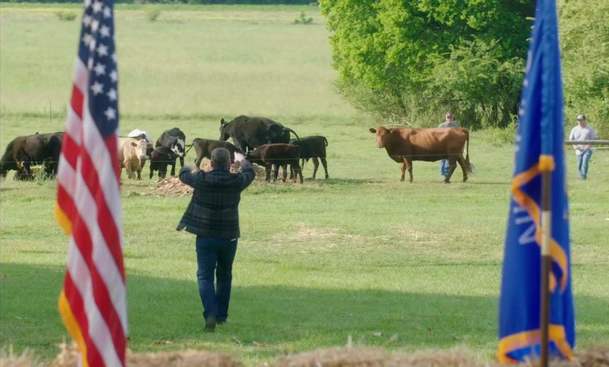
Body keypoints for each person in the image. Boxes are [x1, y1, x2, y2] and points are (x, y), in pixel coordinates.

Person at [177, 148, 255, 332]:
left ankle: (210, 314)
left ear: (211, 163)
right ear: (229, 164)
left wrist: (192, 166)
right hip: (229, 237)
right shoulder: (236, 181)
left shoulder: (201, 179)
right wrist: (242, 161)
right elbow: (250, 173)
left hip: (205, 236)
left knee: (205, 276)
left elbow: (183, 174)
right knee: (225, 275)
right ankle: (221, 316)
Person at [569, 114, 598, 180]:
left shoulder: (589, 129)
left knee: (585, 163)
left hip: (587, 149)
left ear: (584, 120)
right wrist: (574, 146)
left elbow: (593, 139)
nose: (579, 121)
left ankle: (583, 178)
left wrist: (588, 146)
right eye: (578, 120)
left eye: (580, 120)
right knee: (579, 164)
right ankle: (581, 176)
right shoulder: (574, 129)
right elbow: (571, 139)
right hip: (578, 149)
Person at [438, 112, 460, 178]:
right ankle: (443, 173)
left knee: (449, 160)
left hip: (451, 147)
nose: (449, 118)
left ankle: (446, 174)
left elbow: (459, 136)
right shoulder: (442, 126)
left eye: (451, 117)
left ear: (453, 118)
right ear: (445, 118)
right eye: (448, 117)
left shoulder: (456, 126)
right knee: (442, 160)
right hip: (442, 146)